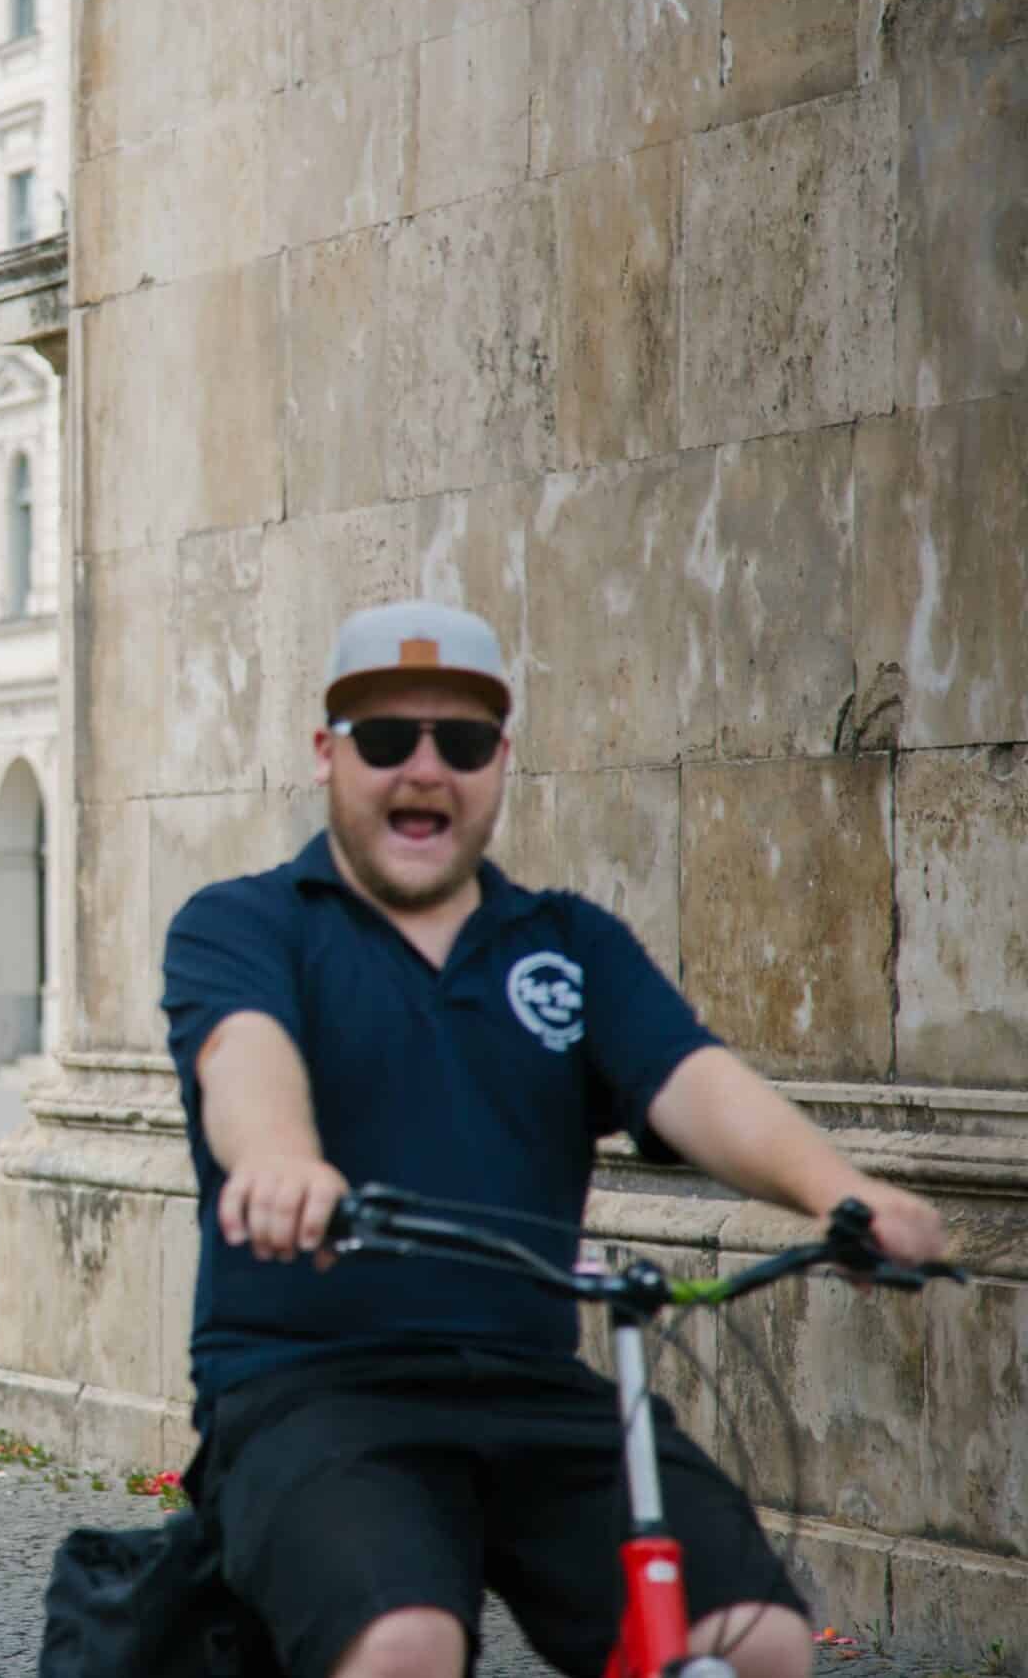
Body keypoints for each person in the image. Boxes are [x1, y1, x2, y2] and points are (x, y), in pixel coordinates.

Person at [159, 601, 951, 1678]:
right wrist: (279, 1160)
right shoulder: (247, 922)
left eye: (464, 742)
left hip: (534, 1387)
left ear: (501, 761)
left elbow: (689, 1077)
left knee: (757, 1641)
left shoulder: (568, 943)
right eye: (387, 739)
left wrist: (839, 1193)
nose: (424, 769)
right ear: (327, 756)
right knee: (402, 1645)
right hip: (314, 1386)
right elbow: (244, 1059)